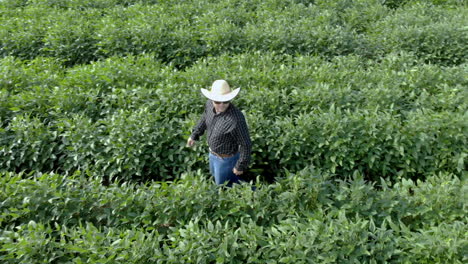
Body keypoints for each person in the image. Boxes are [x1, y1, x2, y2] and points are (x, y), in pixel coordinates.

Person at [187, 80, 252, 187]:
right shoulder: (209, 105)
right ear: (212, 99)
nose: (221, 105)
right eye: (217, 101)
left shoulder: (236, 119)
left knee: (223, 186)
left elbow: (246, 144)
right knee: (216, 179)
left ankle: (252, 193)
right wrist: (194, 135)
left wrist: (240, 165)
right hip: (212, 154)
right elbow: (204, 119)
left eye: (226, 101)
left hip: (226, 160)